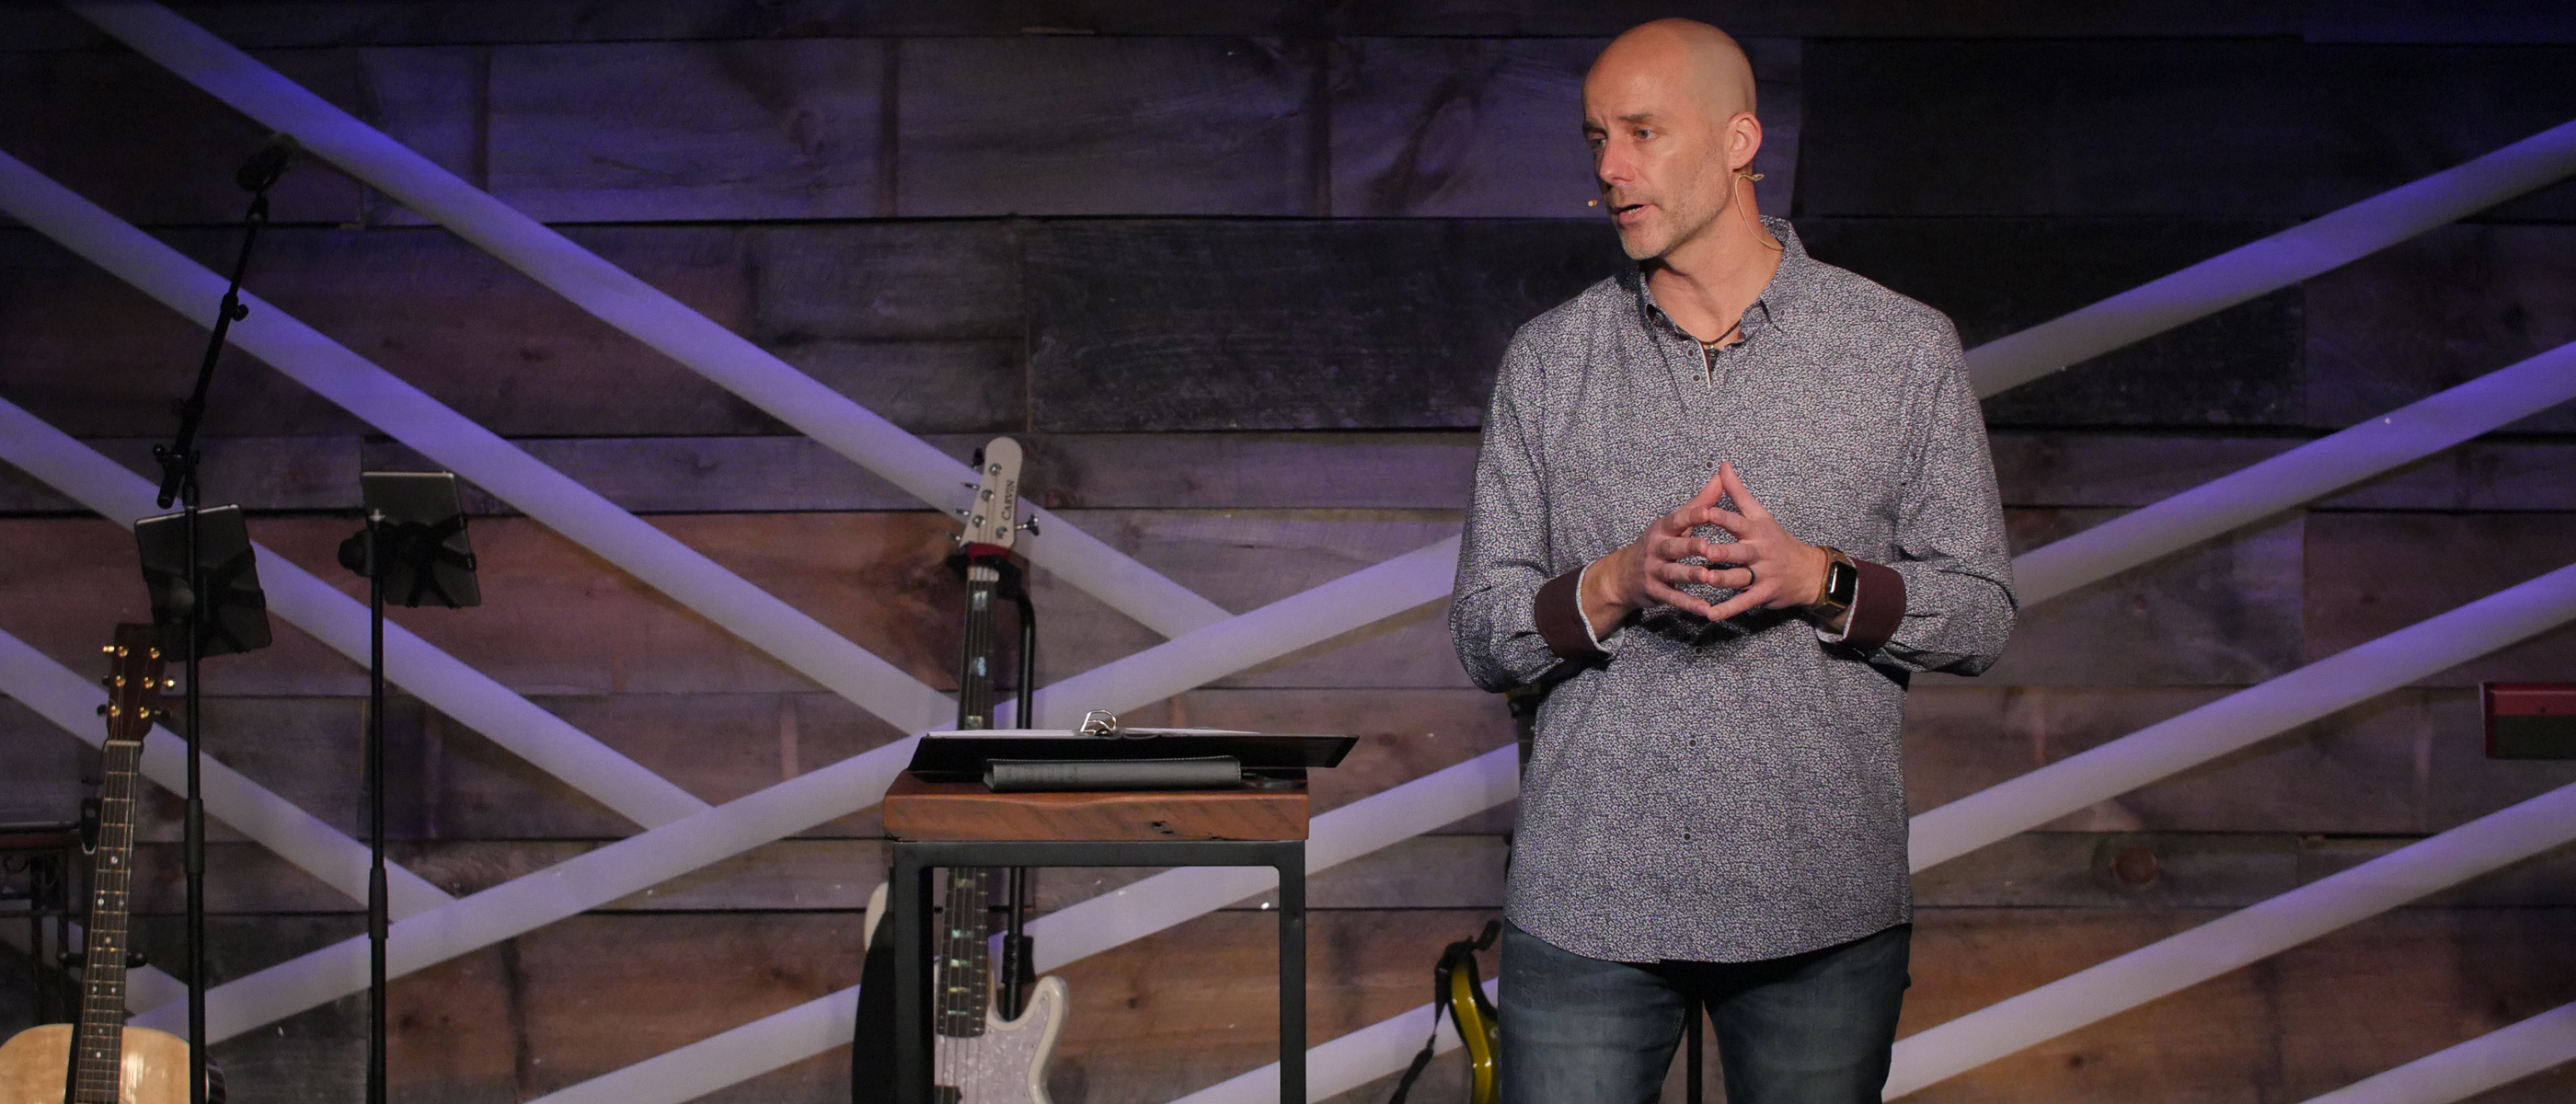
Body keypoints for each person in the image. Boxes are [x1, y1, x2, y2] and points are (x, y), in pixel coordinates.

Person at [1447, 17, 2018, 1104]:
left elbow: (1981, 613)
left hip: (1820, 901)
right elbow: (1482, 632)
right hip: (1589, 899)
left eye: (1643, 132)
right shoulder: (1552, 360)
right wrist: (1614, 583)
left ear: (1739, 141)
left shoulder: (1897, 348)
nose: (1610, 167)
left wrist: (1819, 580)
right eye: (1596, 139)